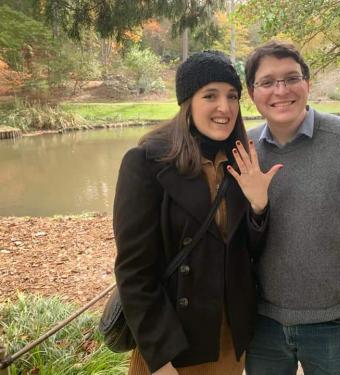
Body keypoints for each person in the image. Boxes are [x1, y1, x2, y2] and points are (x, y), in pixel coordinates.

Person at [113, 51, 282, 375]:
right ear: (187, 102)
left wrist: (259, 206)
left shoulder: (240, 161)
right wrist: (161, 358)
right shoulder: (147, 163)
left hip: (227, 343)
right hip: (173, 342)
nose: (225, 107)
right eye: (210, 96)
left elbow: (247, 254)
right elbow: (134, 273)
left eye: (232, 96)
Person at [243, 41, 340, 375]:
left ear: (308, 84)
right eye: (267, 82)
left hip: (334, 320)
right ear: (251, 93)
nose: (280, 90)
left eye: (291, 78)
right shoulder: (245, 148)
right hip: (261, 321)